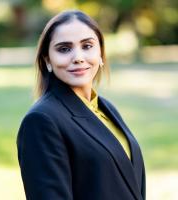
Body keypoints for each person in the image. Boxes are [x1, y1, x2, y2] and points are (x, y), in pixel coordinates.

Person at [17, 10, 146, 200]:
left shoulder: (106, 108)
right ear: (47, 61)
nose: (78, 57)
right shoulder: (41, 121)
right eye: (64, 49)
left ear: (101, 53)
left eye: (87, 46)